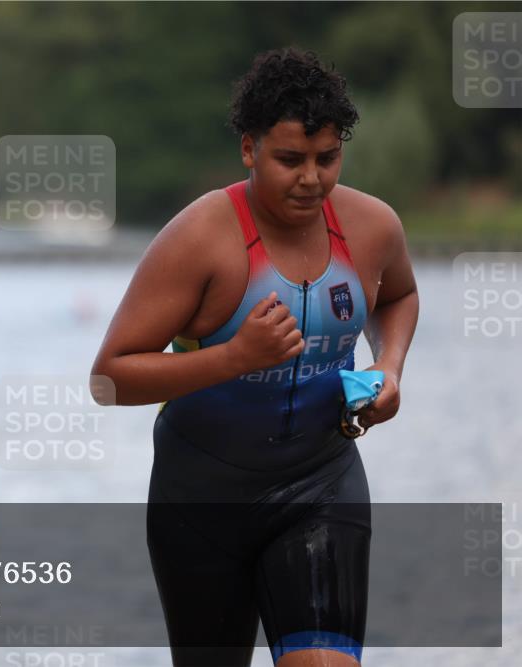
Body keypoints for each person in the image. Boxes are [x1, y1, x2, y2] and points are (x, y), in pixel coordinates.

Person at [91, 48, 419, 667]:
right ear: (249, 149)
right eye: (289, 160)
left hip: (322, 483)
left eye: (328, 159)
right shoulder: (199, 238)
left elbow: (398, 294)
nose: (311, 180)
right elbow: (108, 379)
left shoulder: (372, 226)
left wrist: (390, 366)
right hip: (202, 500)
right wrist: (234, 357)